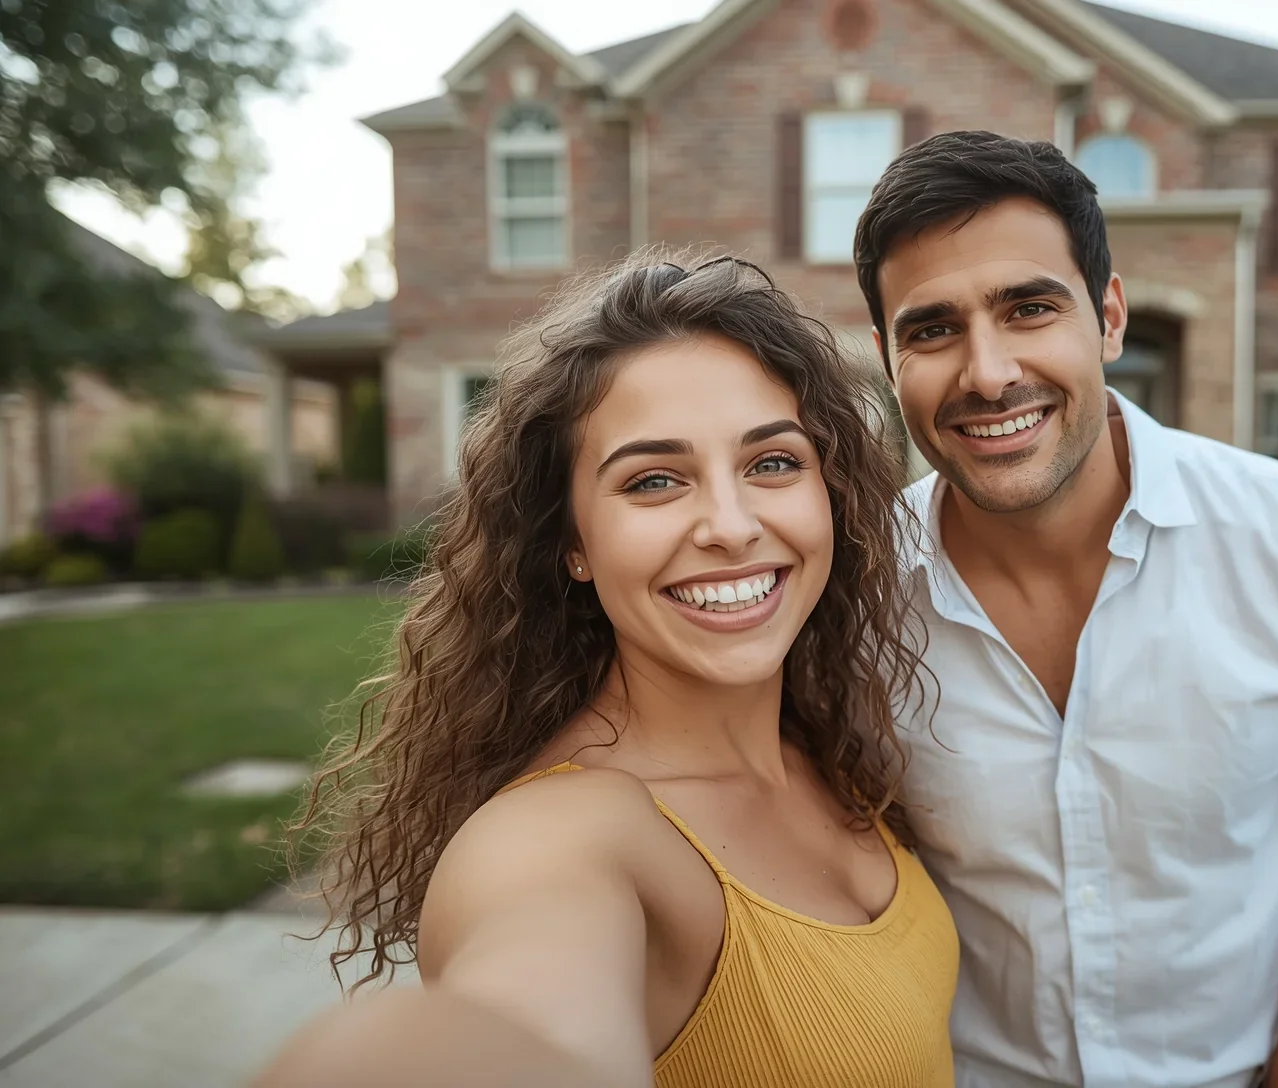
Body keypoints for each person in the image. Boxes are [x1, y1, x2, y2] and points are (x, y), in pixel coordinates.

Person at [256, 254, 958, 1088]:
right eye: (654, 480)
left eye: (772, 463)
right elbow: (515, 1022)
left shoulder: (835, 745)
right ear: (574, 544)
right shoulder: (560, 837)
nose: (731, 527)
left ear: (830, 491)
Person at [853, 130, 1278, 1088]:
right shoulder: (853, 596)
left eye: (1030, 308)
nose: (988, 372)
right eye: (932, 329)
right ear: (887, 358)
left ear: (1109, 319)